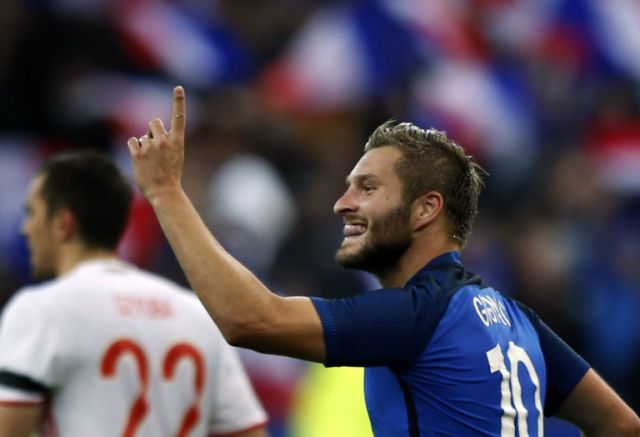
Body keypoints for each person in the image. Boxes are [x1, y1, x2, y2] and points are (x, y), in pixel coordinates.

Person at [127, 86, 640, 436]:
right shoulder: (516, 320)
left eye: (367, 188)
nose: (342, 203)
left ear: (426, 209)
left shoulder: (419, 316)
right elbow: (621, 425)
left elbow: (249, 317)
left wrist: (167, 194)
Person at [0, 151, 269, 437]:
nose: (25, 228)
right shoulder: (198, 314)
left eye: (32, 213)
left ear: (63, 223)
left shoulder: (41, 310)